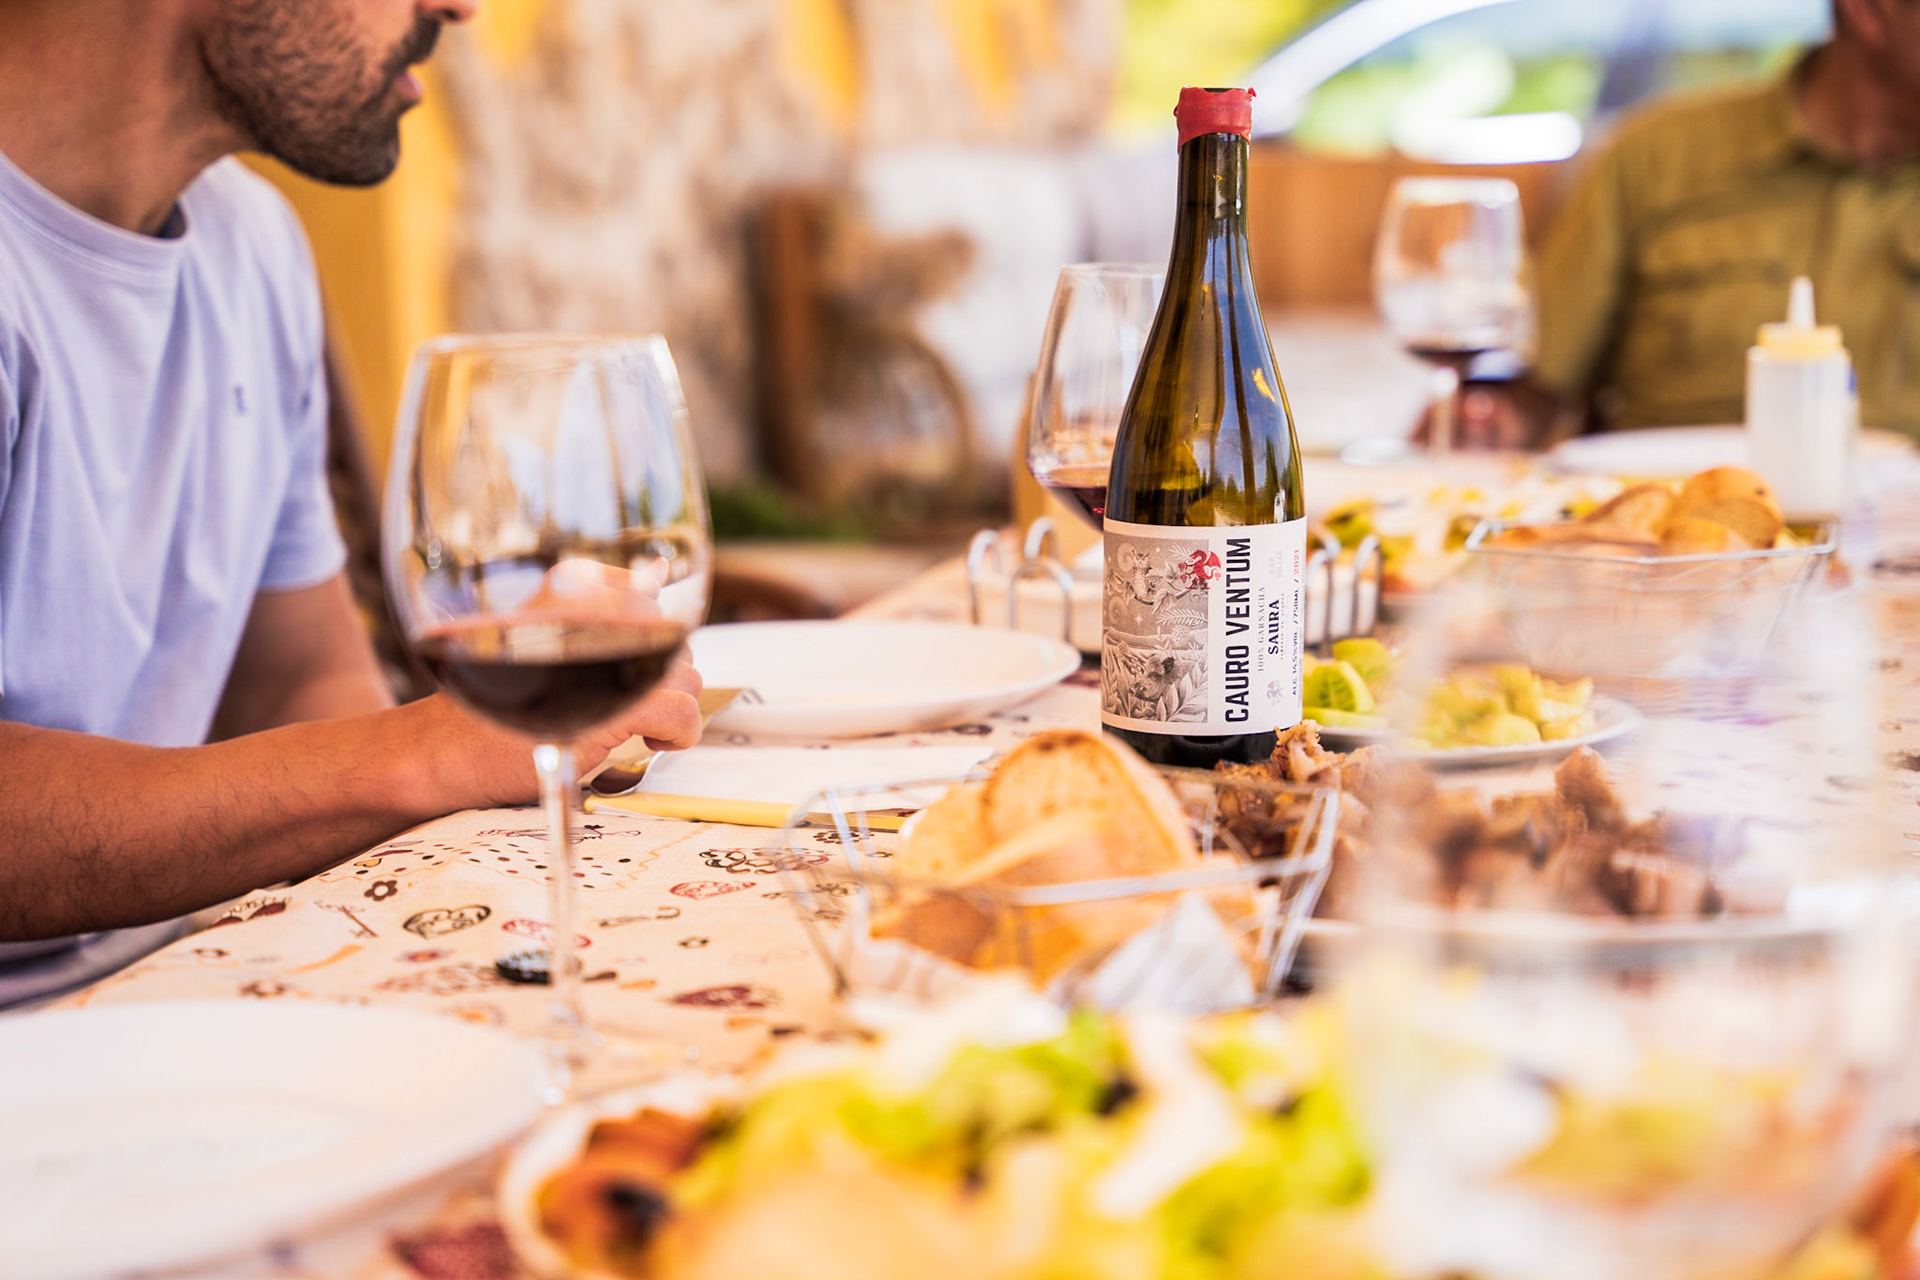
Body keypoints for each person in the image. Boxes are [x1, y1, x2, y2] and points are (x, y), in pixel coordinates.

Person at [0, 0, 704, 946]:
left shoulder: (252, 243)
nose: (459, 7)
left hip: (191, 981)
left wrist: (467, 851)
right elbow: (386, 753)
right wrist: (428, 753)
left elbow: (300, 678)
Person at [1460, 0, 1920, 447]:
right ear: (1869, 9)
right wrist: (1483, 422)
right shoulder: (1655, 156)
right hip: (1662, 495)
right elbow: (1530, 397)